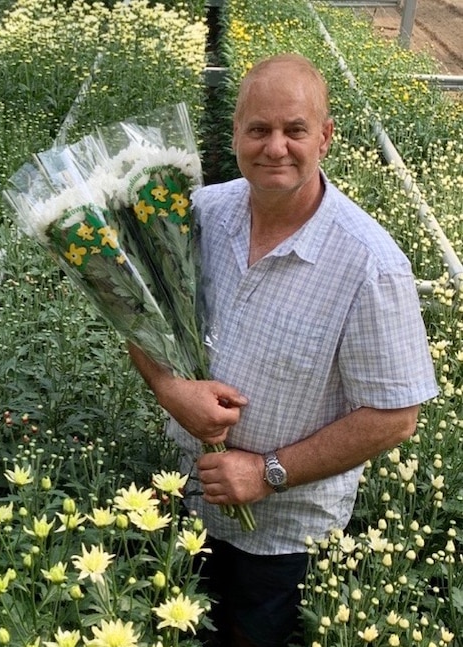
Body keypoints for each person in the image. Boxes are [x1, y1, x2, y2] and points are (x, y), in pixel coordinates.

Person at [128, 53, 438, 647]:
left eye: (295, 130)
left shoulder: (369, 264)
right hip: (179, 499)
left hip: (280, 538)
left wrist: (268, 473)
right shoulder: (197, 214)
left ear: (324, 136)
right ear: (235, 133)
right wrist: (171, 391)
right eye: (259, 129)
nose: (276, 147)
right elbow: (140, 321)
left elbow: (396, 418)